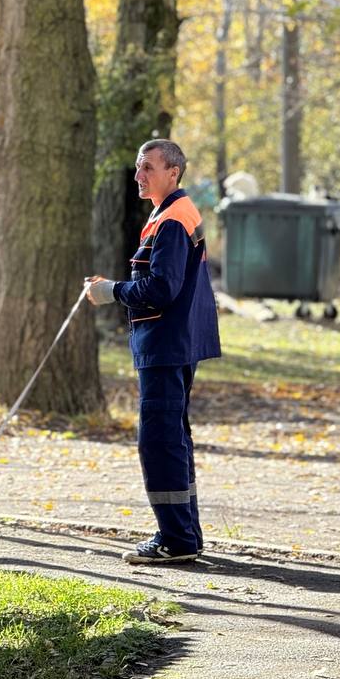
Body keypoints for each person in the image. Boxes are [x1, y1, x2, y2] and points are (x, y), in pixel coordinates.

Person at [86, 139, 221, 564]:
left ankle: (176, 540)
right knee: (173, 439)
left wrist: (111, 292)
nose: (138, 176)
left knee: (159, 441)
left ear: (172, 173)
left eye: (147, 167)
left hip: (167, 345)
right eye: (138, 167)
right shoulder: (171, 213)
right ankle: (186, 535)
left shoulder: (172, 220)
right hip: (175, 344)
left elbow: (162, 289)